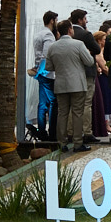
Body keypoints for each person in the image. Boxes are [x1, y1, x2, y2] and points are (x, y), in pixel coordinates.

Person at [46, 20, 95, 152]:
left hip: (60, 84)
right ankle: (78, 143)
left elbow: (48, 67)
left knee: (62, 113)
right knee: (77, 113)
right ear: (70, 30)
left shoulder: (52, 47)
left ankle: (62, 143)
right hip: (77, 84)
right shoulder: (78, 44)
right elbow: (90, 62)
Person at [70, 9, 101, 144]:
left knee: (72, 104)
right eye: (85, 19)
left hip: (72, 73)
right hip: (87, 72)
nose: (86, 21)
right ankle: (87, 132)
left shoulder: (68, 34)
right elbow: (98, 49)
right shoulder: (85, 34)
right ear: (80, 20)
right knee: (86, 103)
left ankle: (70, 132)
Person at [31, 10, 58, 140]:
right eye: (56, 20)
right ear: (52, 20)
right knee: (53, 102)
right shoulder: (49, 35)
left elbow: (38, 54)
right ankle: (51, 131)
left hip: (39, 71)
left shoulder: (38, 34)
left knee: (42, 103)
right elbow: (48, 54)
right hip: (47, 72)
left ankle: (42, 130)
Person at [91, 30, 110, 138]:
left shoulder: (101, 50)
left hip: (102, 76)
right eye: (104, 39)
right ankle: (105, 124)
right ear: (99, 40)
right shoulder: (98, 52)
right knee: (104, 100)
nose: (105, 41)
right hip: (103, 78)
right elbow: (103, 66)